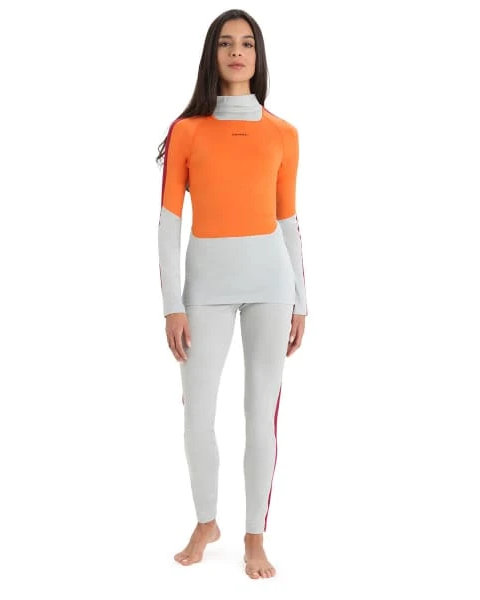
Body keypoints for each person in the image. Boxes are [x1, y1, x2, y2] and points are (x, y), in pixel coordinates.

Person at [156, 8, 308, 579]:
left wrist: (302, 300)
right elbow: (169, 224)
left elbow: (289, 222)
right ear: (212, 54)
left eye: (247, 43)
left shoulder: (283, 134)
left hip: (271, 285)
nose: (237, 52)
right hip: (206, 289)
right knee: (197, 412)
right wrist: (172, 304)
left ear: (258, 55)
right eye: (226, 43)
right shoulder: (187, 131)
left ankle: (253, 536)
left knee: (259, 414)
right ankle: (206, 521)